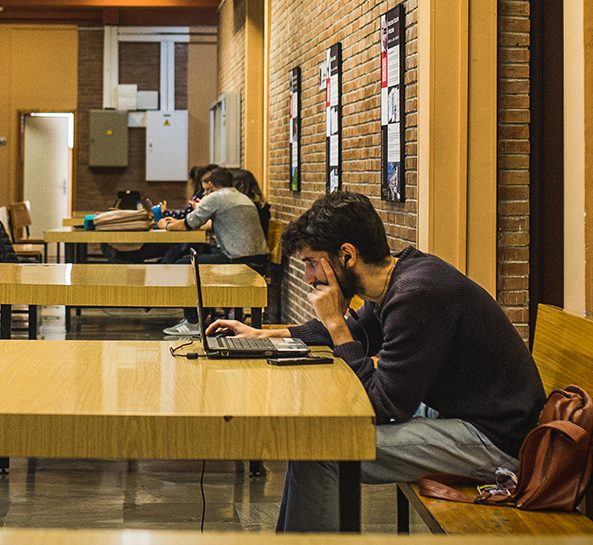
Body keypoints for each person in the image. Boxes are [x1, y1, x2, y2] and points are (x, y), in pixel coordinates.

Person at [206, 190, 546, 532]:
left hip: (497, 442)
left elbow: (382, 405)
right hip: (459, 414)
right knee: (314, 434)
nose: (309, 278)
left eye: (312, 263)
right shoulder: (400, 277)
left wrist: (336, 325)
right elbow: (359, 330)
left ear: (347, 255)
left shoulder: (416, 295)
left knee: (321, 449)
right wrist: (265, 335)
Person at [161, 166, 269, 336]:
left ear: (210, 185)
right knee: (202, 260)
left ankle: (193, 322)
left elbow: (188, 224)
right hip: (258, 259)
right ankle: (199, 318)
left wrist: (166, 225)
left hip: (240, 262)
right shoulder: (241, 196)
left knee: (185, 266)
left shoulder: (216, 197)